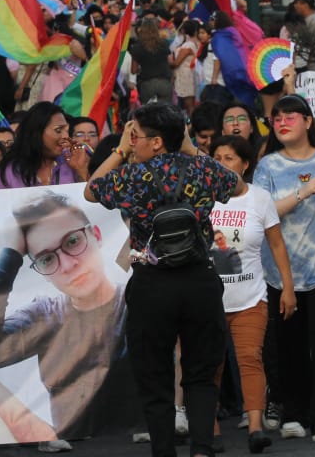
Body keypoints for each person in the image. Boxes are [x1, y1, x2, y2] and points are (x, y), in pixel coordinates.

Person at [86, 103, 243, 457]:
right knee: (202, 376)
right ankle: (202, 450)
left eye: (136, 136)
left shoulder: (133, 176)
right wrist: (189, 147)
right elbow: (238, 184)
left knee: (155, 379)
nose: (132, 142)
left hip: (152, 284)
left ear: (156, 142)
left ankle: (164, 452)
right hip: (199, 283)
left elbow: (92, 190)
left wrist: (119, 152)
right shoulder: (201, 167)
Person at [0, 189, 132, 450]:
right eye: (47, 259)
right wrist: (10, 254)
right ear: (41, 273)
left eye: (73, 242)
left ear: (96, 236)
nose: (67, 265)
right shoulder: (45, 315)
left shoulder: (136, 302)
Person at [251, 93, 315, 442]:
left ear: (308, 121)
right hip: (282, 269)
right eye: (277, 118)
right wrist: (302, 193)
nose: (283, 122)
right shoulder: (268, 166)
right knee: (289, 345)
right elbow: (261, 212)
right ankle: (293, 410)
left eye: (291, 115)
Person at [209, 135, 296, 454]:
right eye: (216, 157)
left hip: (251, 297)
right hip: (208, 302)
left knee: (250, 358)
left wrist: (287, 287)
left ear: (245, 165)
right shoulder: (200, 196)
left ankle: (256, 428)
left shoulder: (260, 198)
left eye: (229, 157)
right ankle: (210, 431)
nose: (221, 163)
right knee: (210, 365)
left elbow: (276, 245)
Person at [0, 103, 79, 189]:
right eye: (58, 130)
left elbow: (88, 199)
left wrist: (81, 170)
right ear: (36, 133)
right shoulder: (8, 172)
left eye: (66, 130)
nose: (66, 136)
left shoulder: (71, 161)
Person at [129, 17, 173, 105]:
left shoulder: (137, 47)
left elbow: (133, 70)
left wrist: (141, 68)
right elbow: (170, 62)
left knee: (149, 112)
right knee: (165, 112)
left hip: (147, 84)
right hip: (164, 82)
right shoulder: (164, 43)